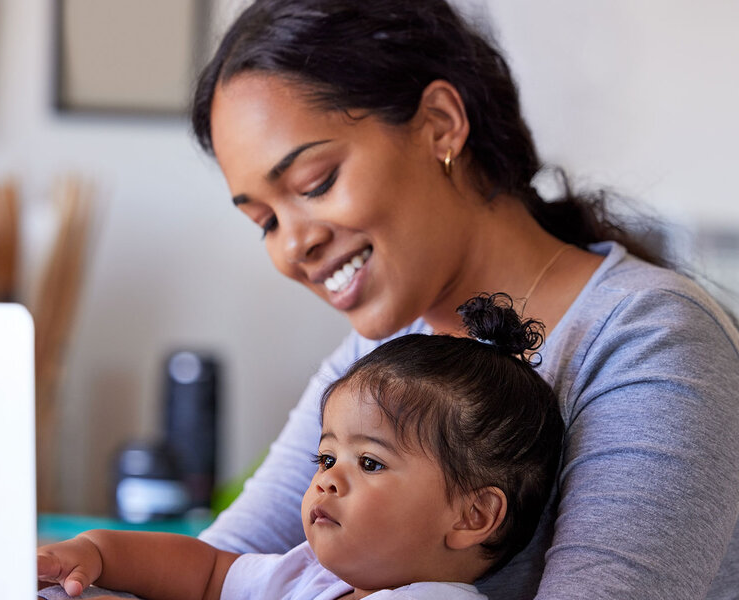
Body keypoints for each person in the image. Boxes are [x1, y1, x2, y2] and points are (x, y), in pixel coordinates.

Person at [180, 1, 739, 598]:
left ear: (442, 124)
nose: (295, 245)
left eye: (316, 183)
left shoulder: (649, 339)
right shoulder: (384, 352)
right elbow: (219, 563)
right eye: (265, 221)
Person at [37, 294, 564, 600]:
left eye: (371, 462)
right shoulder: (311, 577)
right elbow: (206, 573)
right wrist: (98, 552)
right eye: (327, 457)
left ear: (473, 516)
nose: (327, 479)